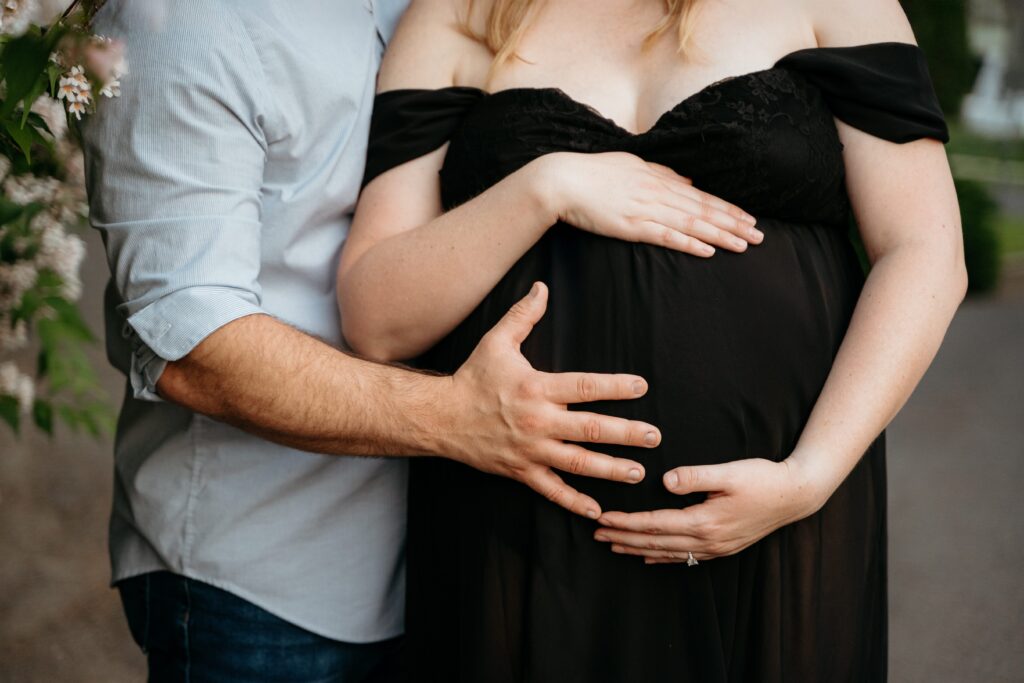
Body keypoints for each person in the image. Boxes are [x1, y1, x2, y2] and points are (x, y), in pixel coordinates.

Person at [338, 0, 967, 679]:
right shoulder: (461, 12)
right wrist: (545, 186)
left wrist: (807, 477)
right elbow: (375, 318)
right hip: (519, 529)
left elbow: (925, 252)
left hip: (773, 519)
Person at [79, 1, 669, 681]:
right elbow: (197, 350)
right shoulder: (179, 25)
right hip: (261, 582)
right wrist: (461, 415)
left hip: (449, 552)